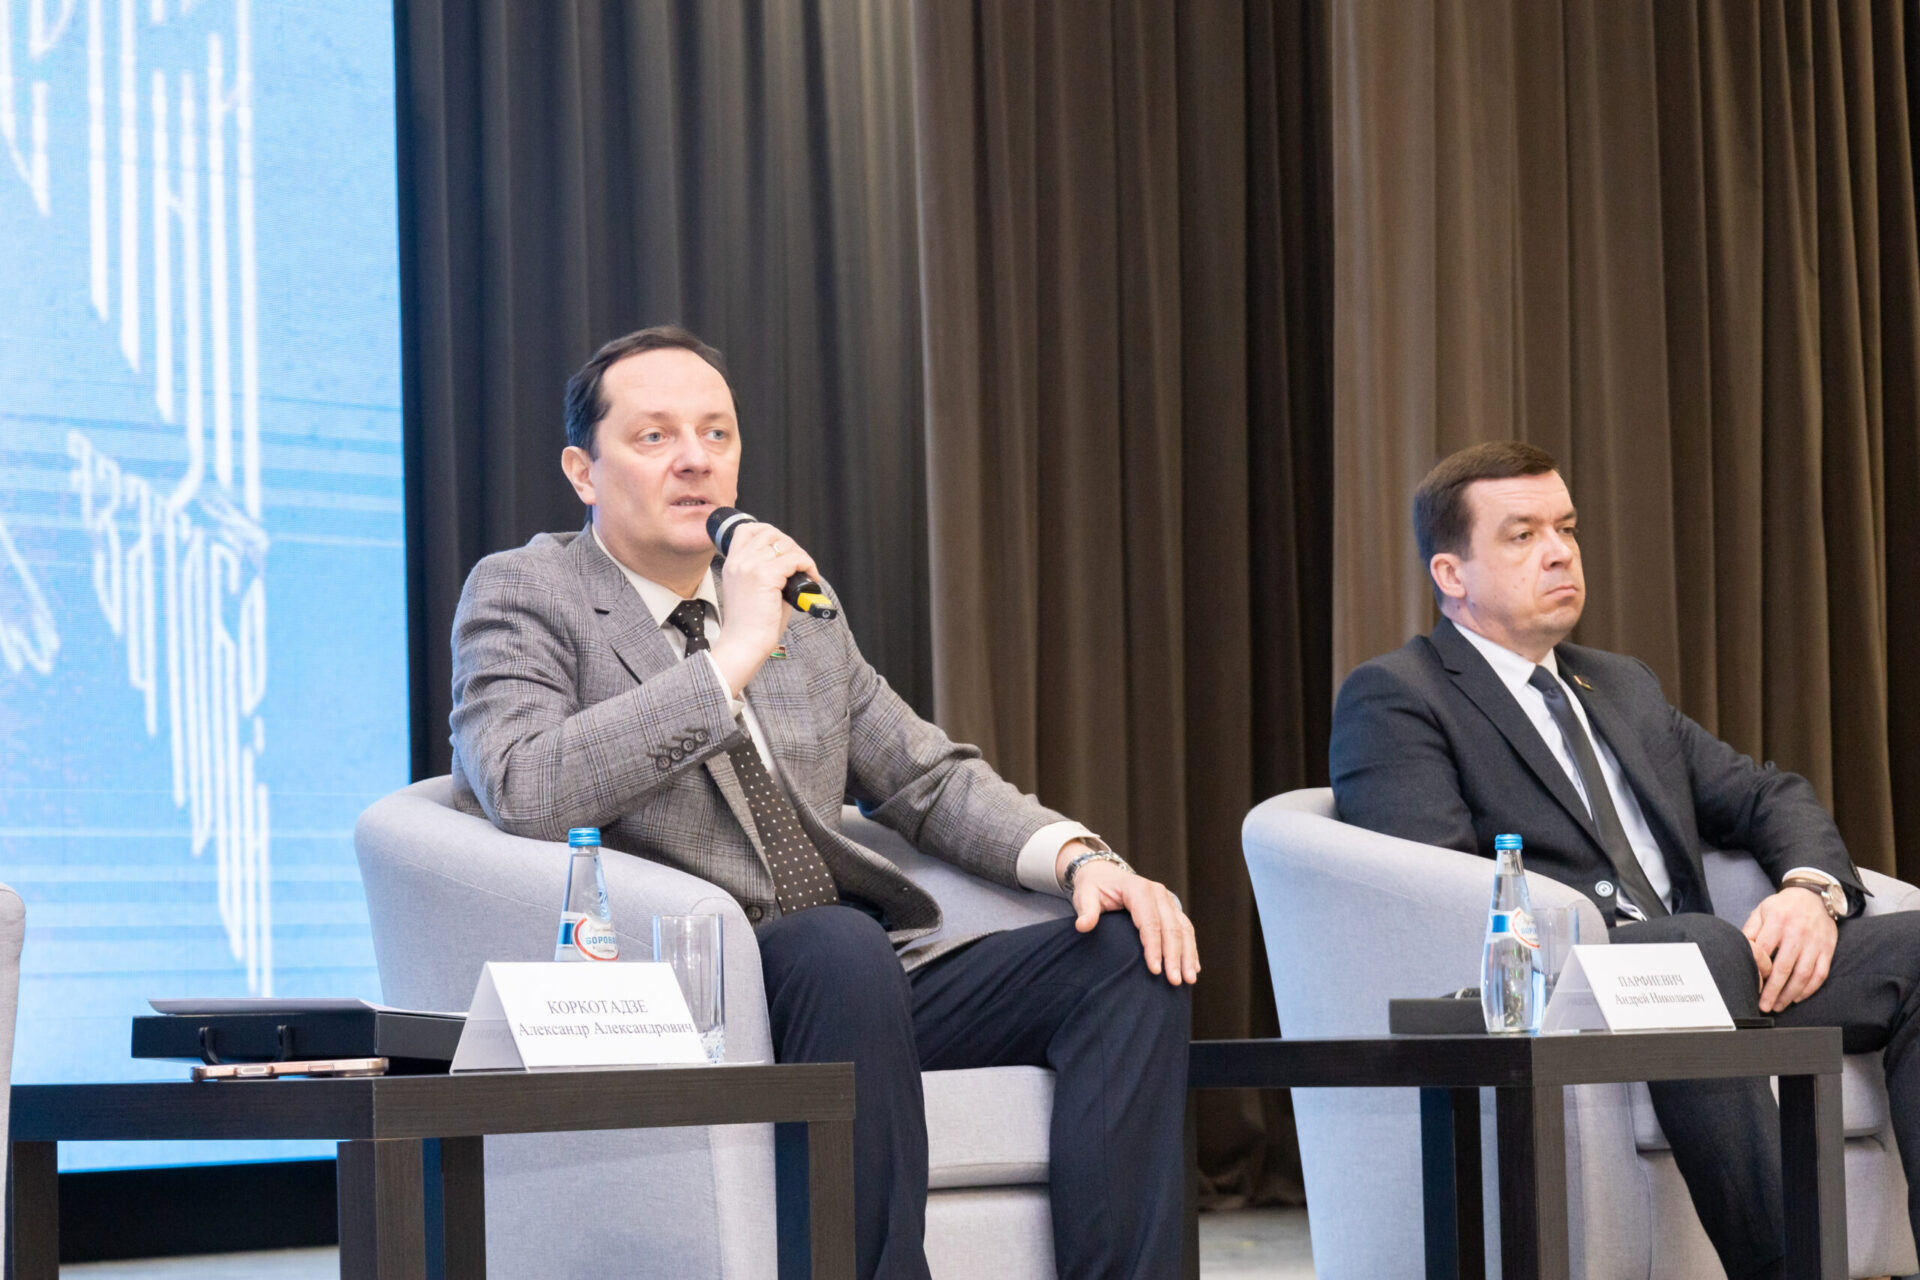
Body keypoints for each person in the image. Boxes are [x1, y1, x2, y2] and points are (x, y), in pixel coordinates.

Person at [447, 325, 1196, 1279]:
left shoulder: (792, 608)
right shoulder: (530, 589)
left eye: (717, 434)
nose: (695, 460)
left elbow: (926, 776)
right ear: (583, 472)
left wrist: (1084, 858)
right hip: (688, 988)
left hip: (858, 984)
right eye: (655, 437)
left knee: (1128, 953)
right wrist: (727, 660)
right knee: (841, 945)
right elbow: (523, 783)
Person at [1330, 440, 1920, 1280]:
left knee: (1909, 944)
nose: (1559, 552)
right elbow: (1431, 887)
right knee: (1694, 944)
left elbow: (1766, 794)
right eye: (1523, 535)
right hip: (1565, 993)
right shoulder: (1400, 695)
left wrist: (1809, 893)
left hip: (1715, 972)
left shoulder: (1620, 685)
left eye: (1566, 528)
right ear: (1451, 574)